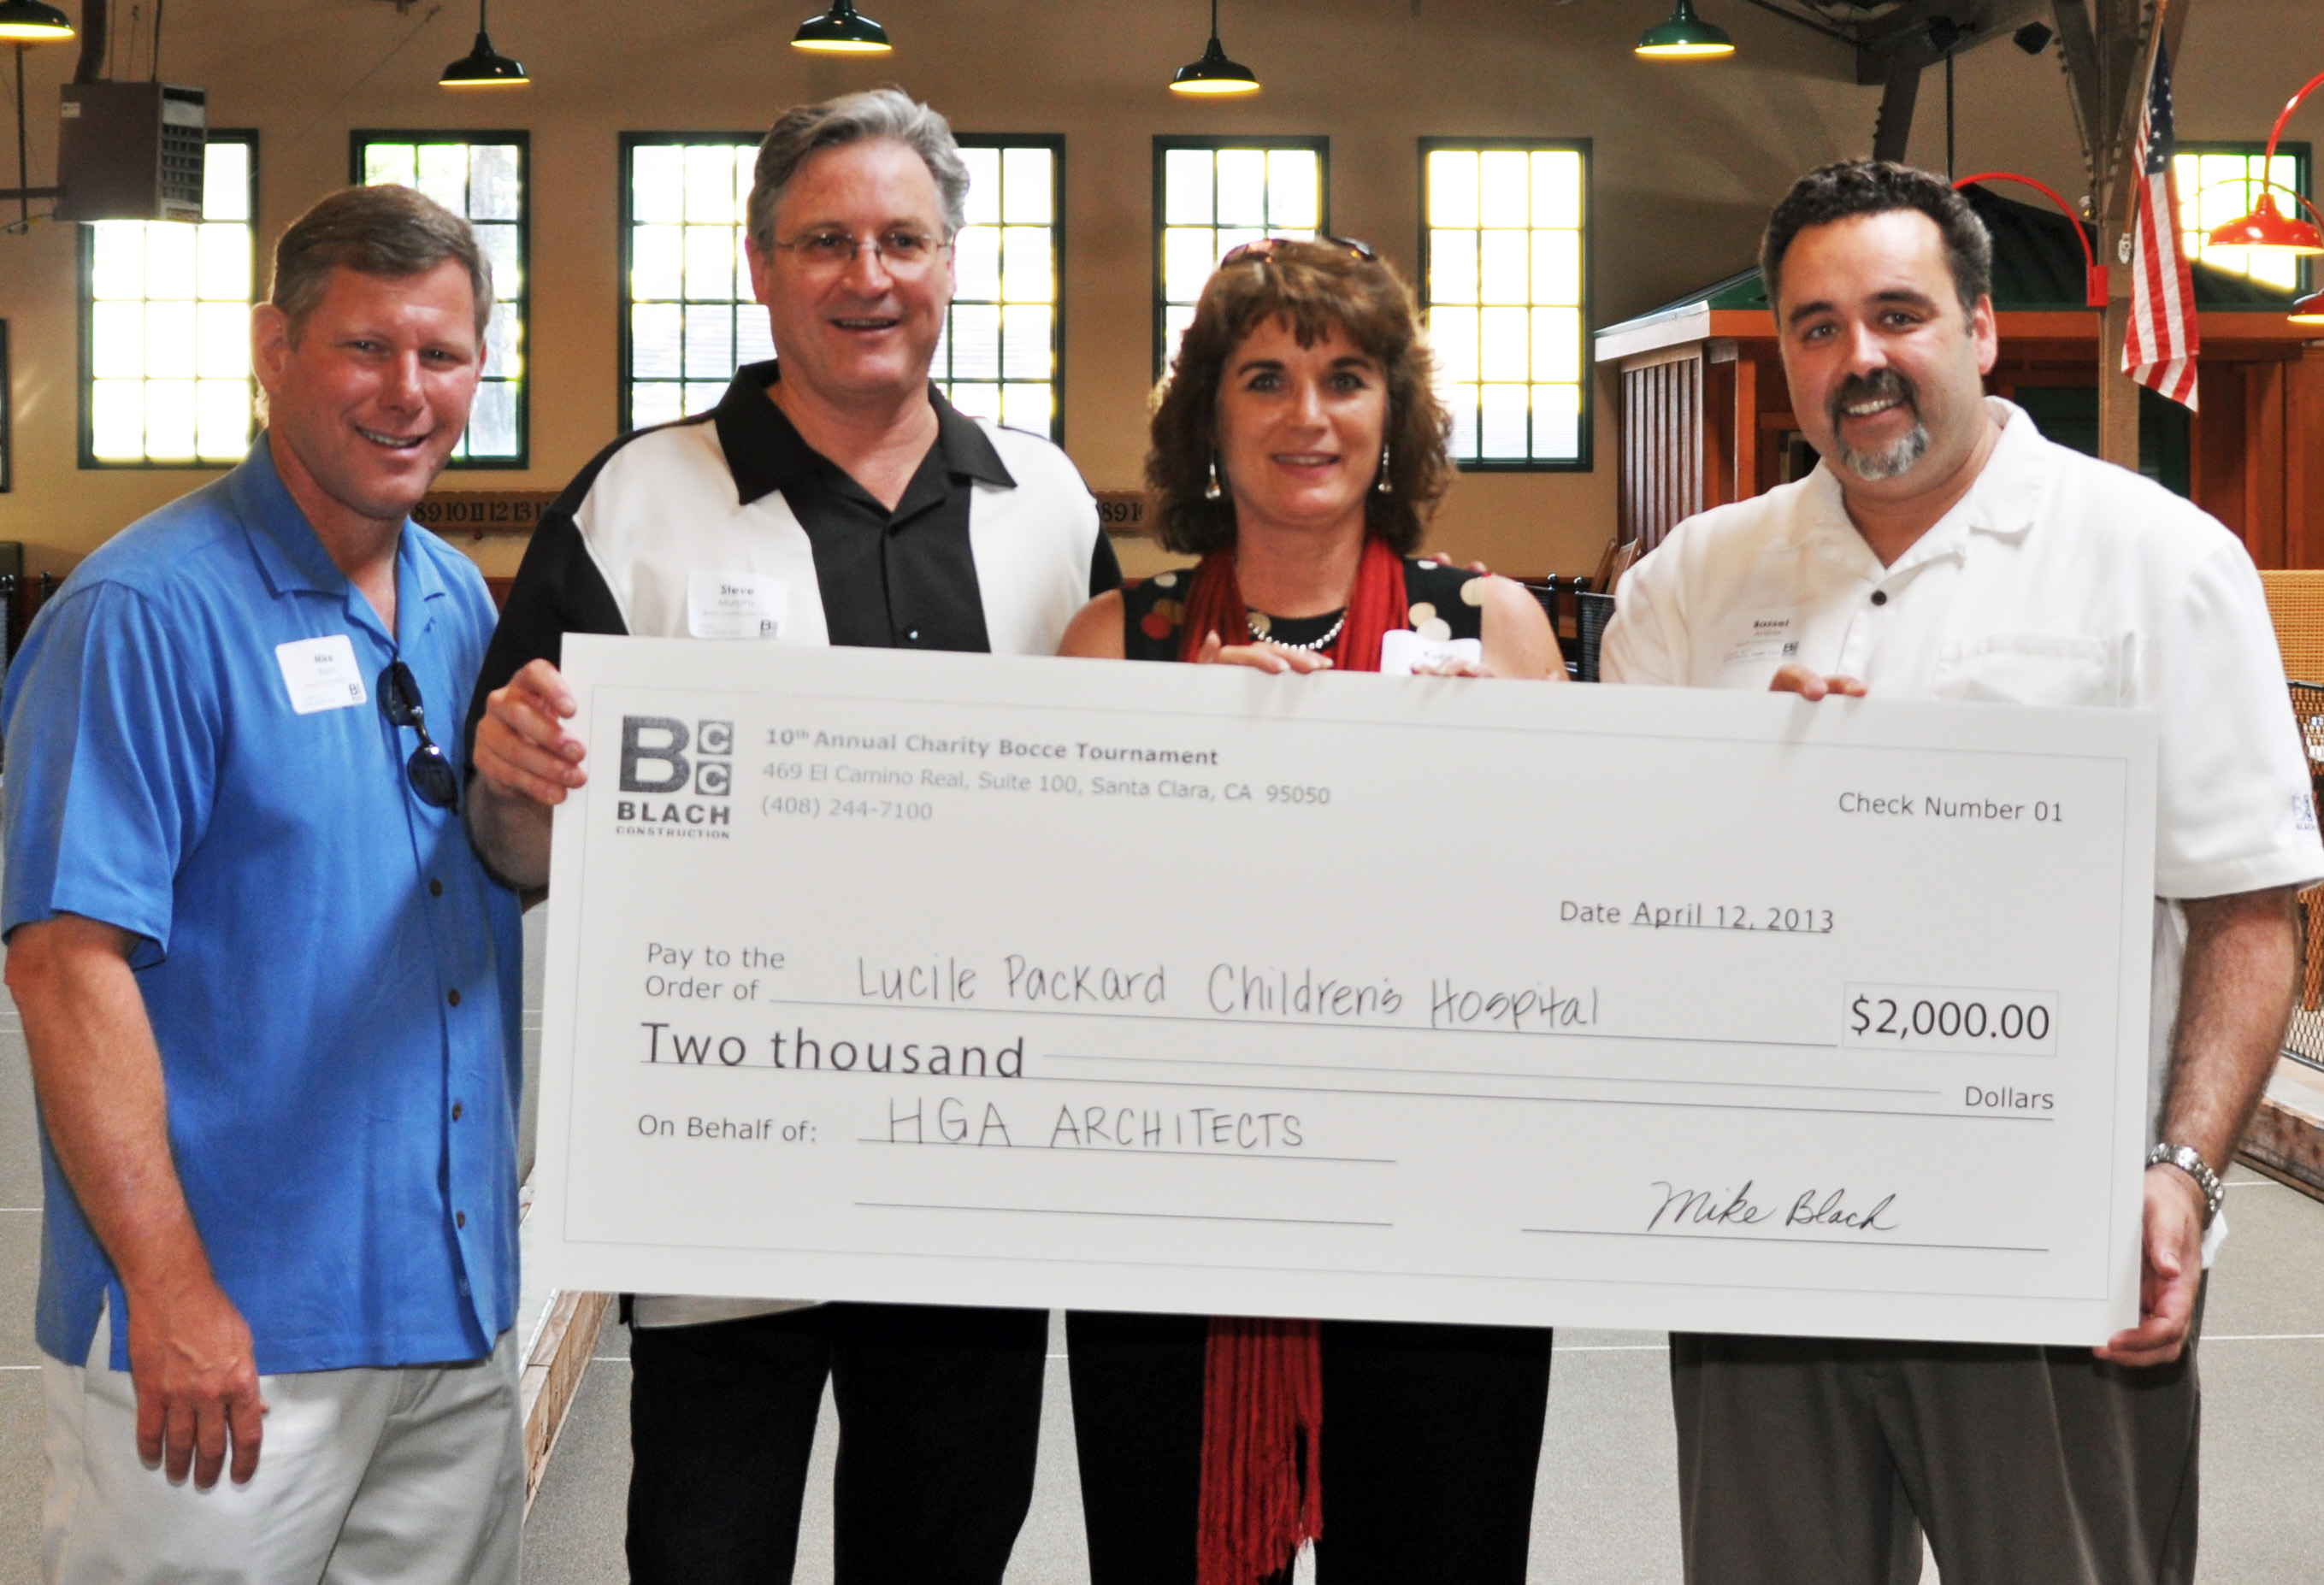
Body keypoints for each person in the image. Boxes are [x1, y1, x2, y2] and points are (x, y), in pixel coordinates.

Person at [1602, 159, 2323, 1584]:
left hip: (2051, 1247)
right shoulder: (1686, 585)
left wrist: (2175, 1175)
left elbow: (2246, 911)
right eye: (1814, 326)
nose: (1856, 358)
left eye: (1894, 314)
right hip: (1761, 1245)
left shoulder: (2158, 561)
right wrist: (1726, 802)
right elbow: (1612, 904)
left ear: (1980, 330)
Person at [463, 89, 1117, 1585]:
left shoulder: (1048, 506)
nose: (865, 275)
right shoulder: (637, 501)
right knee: (705, 1553)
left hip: (974, 1171)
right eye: (825, 239)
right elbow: (515, 849)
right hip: (720, 1189)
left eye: (902, 239)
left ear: (955, 263)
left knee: (945, 1552)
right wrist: (511, 783)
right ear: (760, 265)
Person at [3, 184, 526, 1583]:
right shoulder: (143, 614)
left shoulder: (458, 602)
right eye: (365, 347)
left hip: (448, 1314)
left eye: (443, 354)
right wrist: (170, 1288)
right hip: (224, 1337)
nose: (407, 391)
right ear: (272, 349)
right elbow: (64, 964)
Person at [1057, 237, 1563, 1585]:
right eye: (1264, 378)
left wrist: (1470, 788)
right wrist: (1188, 764)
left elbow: (1570, 931)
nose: (1306, 415)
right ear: (1206, 420)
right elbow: (1057, 949)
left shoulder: (1496, 629)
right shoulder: (1115, 645)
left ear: (1392, 411)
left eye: (1344, 377)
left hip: (1440, 1218)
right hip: (1177, 1223)